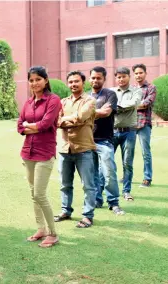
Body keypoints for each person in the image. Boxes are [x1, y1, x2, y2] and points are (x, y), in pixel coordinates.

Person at [17, 66, 61, 248]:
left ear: (45, 80)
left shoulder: (53, 100)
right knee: (33, 194)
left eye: (38, 79)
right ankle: (41, 229)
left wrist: (31, 125)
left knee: (39, 194)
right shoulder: (28, 103)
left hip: (44, 153)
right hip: (28, 152)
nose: (34, 83)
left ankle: (53, 233)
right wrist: (28, 125)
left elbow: (45, 124)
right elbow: (20, 126)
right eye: (31, 80)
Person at [54, 71, 97, 228]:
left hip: (83, 148)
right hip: (65, 149)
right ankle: (66, 210)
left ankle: (87, 216)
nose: (73, 84)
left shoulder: (90, 101)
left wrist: (67, 120)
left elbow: (81, 116)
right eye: (70, 82)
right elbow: (56, 121)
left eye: (76, 81)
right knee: (65, 184)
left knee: (88, 185)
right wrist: (71, 120)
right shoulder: (63, 102)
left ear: (83, 82)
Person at [88, 66, 125, 215]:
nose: (95, 80)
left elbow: (106, 113)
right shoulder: (85, 96)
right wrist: (96, 111)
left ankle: (113, 202)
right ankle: (97, 200)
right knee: (92, 174)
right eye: (93, 77)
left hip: (105, 141)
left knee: (109, 172)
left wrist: (87, 113)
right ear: (89, 79)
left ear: (104, 79)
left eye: (99, 78)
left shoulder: (110, 94)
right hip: (88, 141)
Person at [111, 67, 142, 201]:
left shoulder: (137, 90)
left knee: (127, 163)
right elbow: (107, 105)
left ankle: (126, 191)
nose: (121, 79)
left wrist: (117, 107)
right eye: (118, 77)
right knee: (106, 162)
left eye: (123, 76)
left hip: (129, 132)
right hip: (111, 132)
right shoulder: (111, 92)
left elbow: (134, 103)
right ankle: (106, 190)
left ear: (129, 77)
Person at [133, 64, 156, 188]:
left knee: (145, 152)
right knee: (128, 153)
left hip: (144, 124)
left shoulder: (151, 88)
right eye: (136, 73)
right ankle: (127, 176)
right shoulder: (131, 88)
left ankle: (147, 178)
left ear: (145, 73)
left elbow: (146, 104)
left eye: (140, 73)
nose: (138, 75)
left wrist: (131, 105)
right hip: (130, 124)